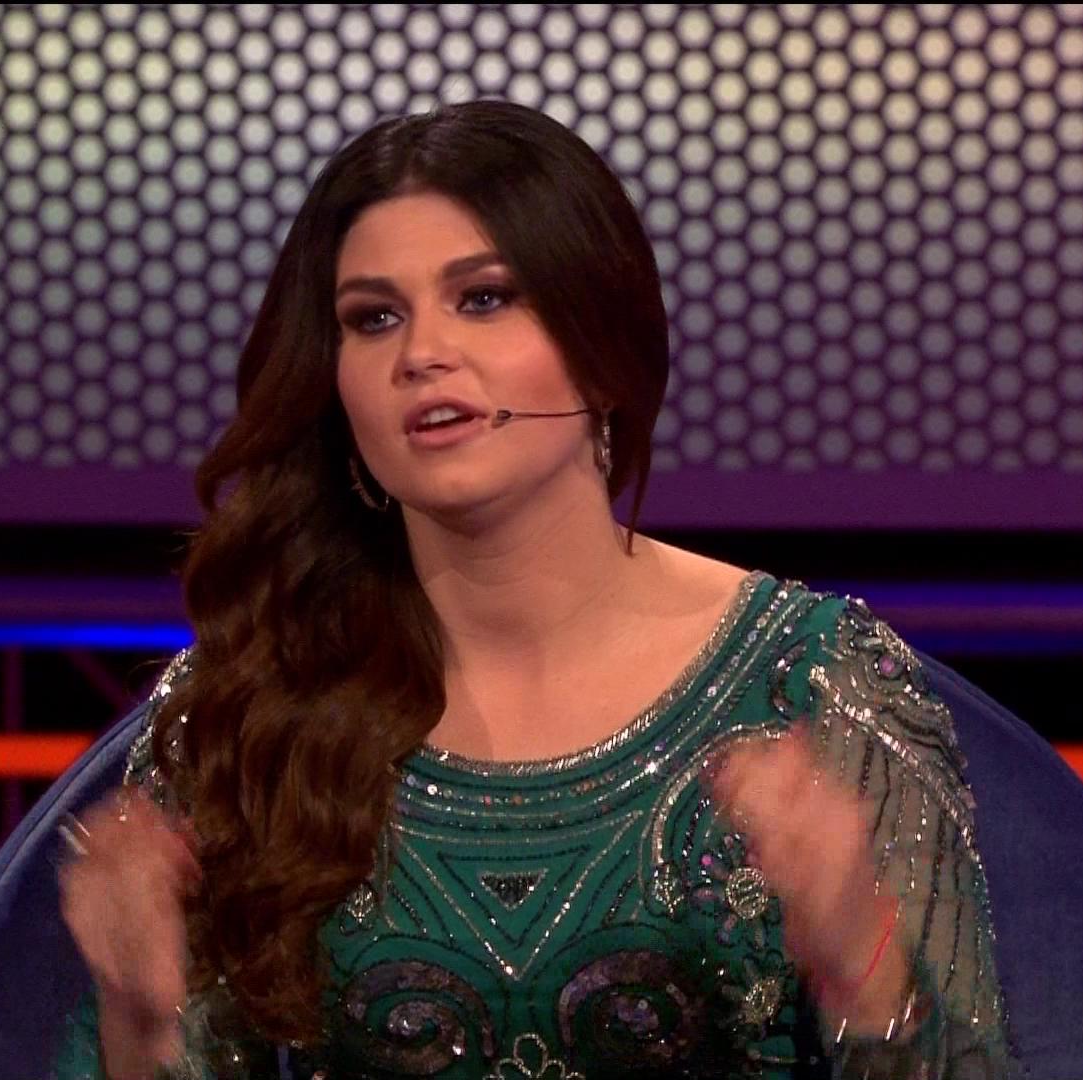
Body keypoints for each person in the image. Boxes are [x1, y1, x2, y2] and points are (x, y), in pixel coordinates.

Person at [49, 99, 1023, 1079]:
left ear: (602, 347)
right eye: (374, 318)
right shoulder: (249, 708)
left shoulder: (812, 686)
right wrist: (141, 1020)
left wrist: (860, 968)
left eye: (482, 299)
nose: (421, 354)